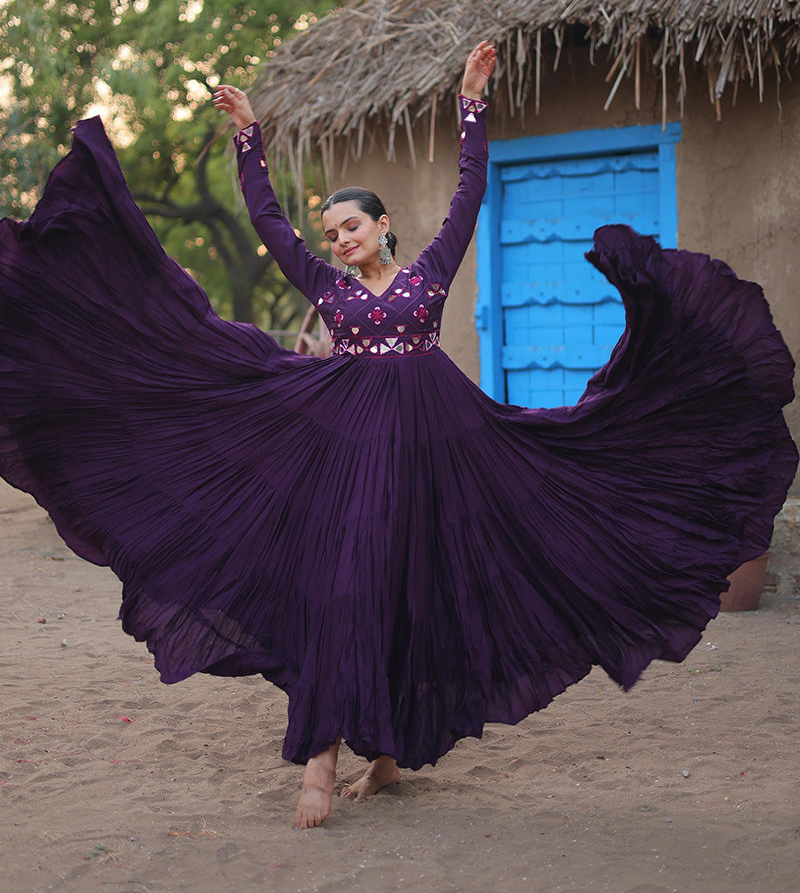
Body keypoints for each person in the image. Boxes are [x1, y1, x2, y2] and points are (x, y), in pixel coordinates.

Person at [0, 43, 797, 833]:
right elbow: (269, 222)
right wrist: (251, 138)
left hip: (439, 447)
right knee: (346, 588)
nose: (339, 239)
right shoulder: (326, 287)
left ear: (385, 228)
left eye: (351, 226)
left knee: (422, 592)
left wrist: (471, 102)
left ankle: (387, 756)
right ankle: (320, 760)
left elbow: (471, 191)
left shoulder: (429, 273)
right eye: (333, 232)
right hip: (349, 450)